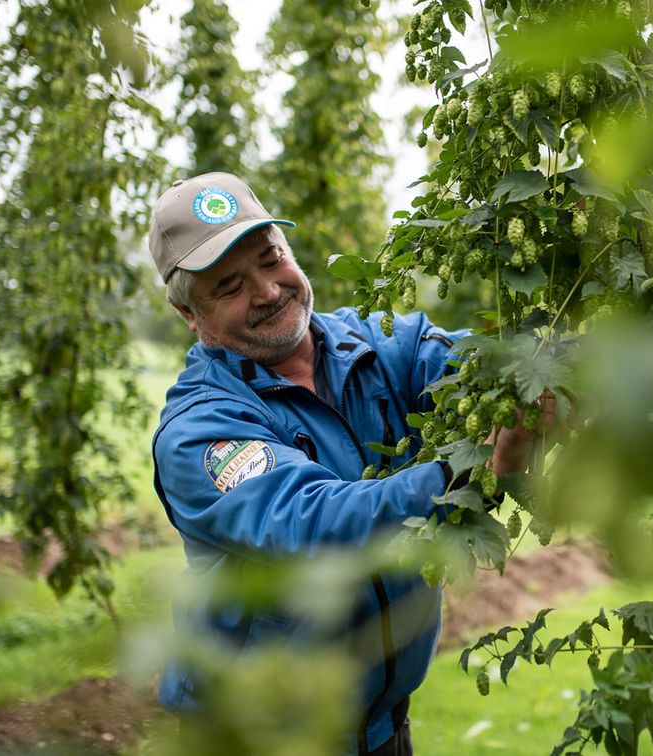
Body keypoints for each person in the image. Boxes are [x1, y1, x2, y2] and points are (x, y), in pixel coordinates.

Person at [146, 172, 537, 755]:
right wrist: (470, 471)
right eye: (228, 286)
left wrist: (546, 371)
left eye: (270, 258)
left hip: (378, 728)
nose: (267, 291)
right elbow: (316, 524)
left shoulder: (378, 345)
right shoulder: (199, 431)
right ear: (188, 315)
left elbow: (482, 372)